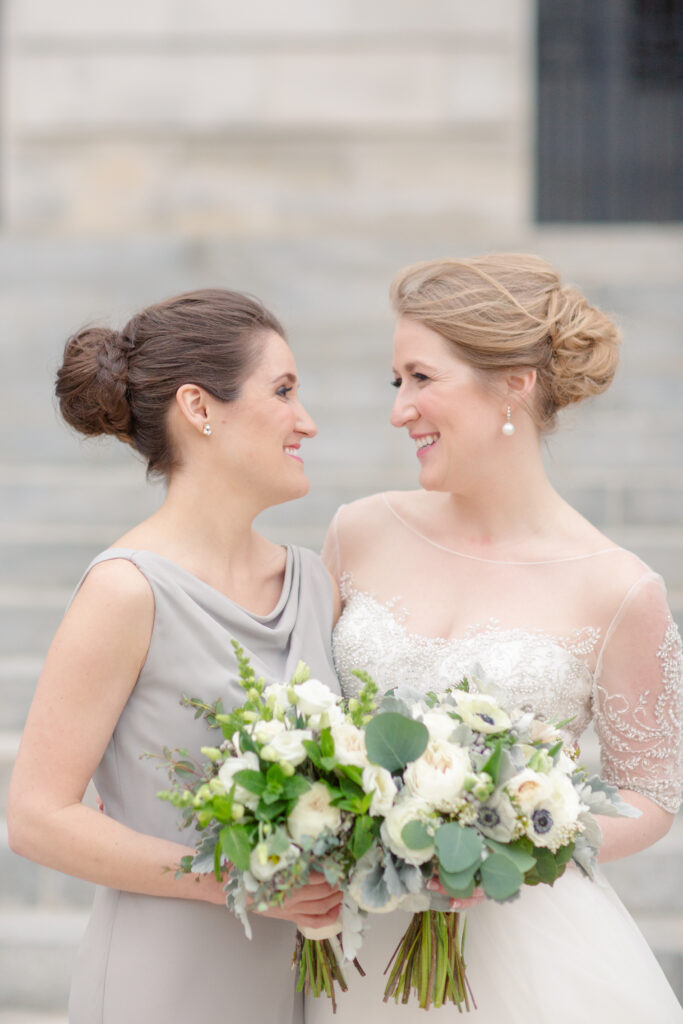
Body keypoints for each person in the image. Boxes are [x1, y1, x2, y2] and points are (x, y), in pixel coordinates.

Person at [312, 254, 683, 1022]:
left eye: (420, 378)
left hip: (534, 955)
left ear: (514, 380)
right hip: (355, 947)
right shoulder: (359, 532)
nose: (399, 409)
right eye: (396, 382)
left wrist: (517, 839)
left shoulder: (619, 588)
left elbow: (648, 794)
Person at [7, 288, 342, 1024]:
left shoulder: (317, 585)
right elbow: (36, 816)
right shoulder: (126, 591)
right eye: (282, 392)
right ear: (199, 408)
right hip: (166, 979)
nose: (305, 421)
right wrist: (236, 879)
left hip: (305, 979)